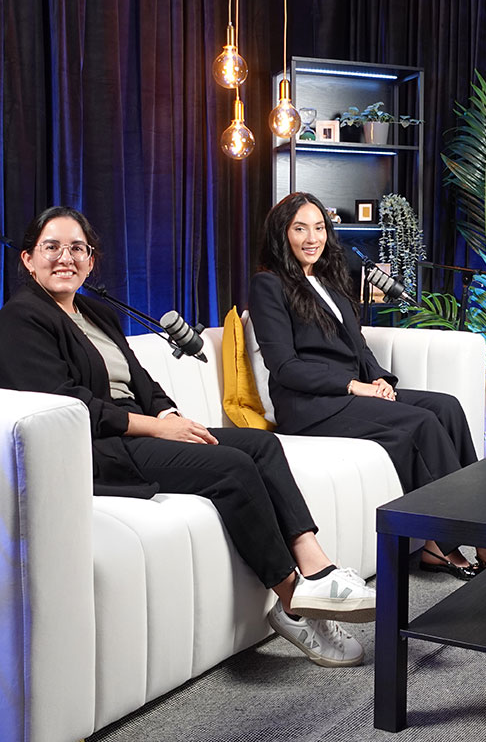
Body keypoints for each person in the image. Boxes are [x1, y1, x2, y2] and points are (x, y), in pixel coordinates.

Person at [0, 205, 376, 668]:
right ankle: (295, 601)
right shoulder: (21, 318)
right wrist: (161, 427)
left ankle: (317, 568)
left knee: (261, 444)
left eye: (77, 248)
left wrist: (171, 414)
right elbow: (69, 406)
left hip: (142, 431)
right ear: (27, 260)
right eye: (51, 248)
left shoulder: (95, 312)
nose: (65, 258)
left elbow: (142, 380)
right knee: (233, 467)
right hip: (95, 450)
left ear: (91, 260)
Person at [248, 191, 486, 579]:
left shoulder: (328, 281)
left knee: (446, 406)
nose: (311, 238)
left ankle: (445, 542)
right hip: (310, 405)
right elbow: (285, 367)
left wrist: (379, 378)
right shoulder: (268, 284)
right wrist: (354, 386)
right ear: (282, 234)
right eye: (299, 228)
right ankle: (472, 539)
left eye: (319, 227)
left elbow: (358, 345)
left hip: (350, 392)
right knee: (420, 424)